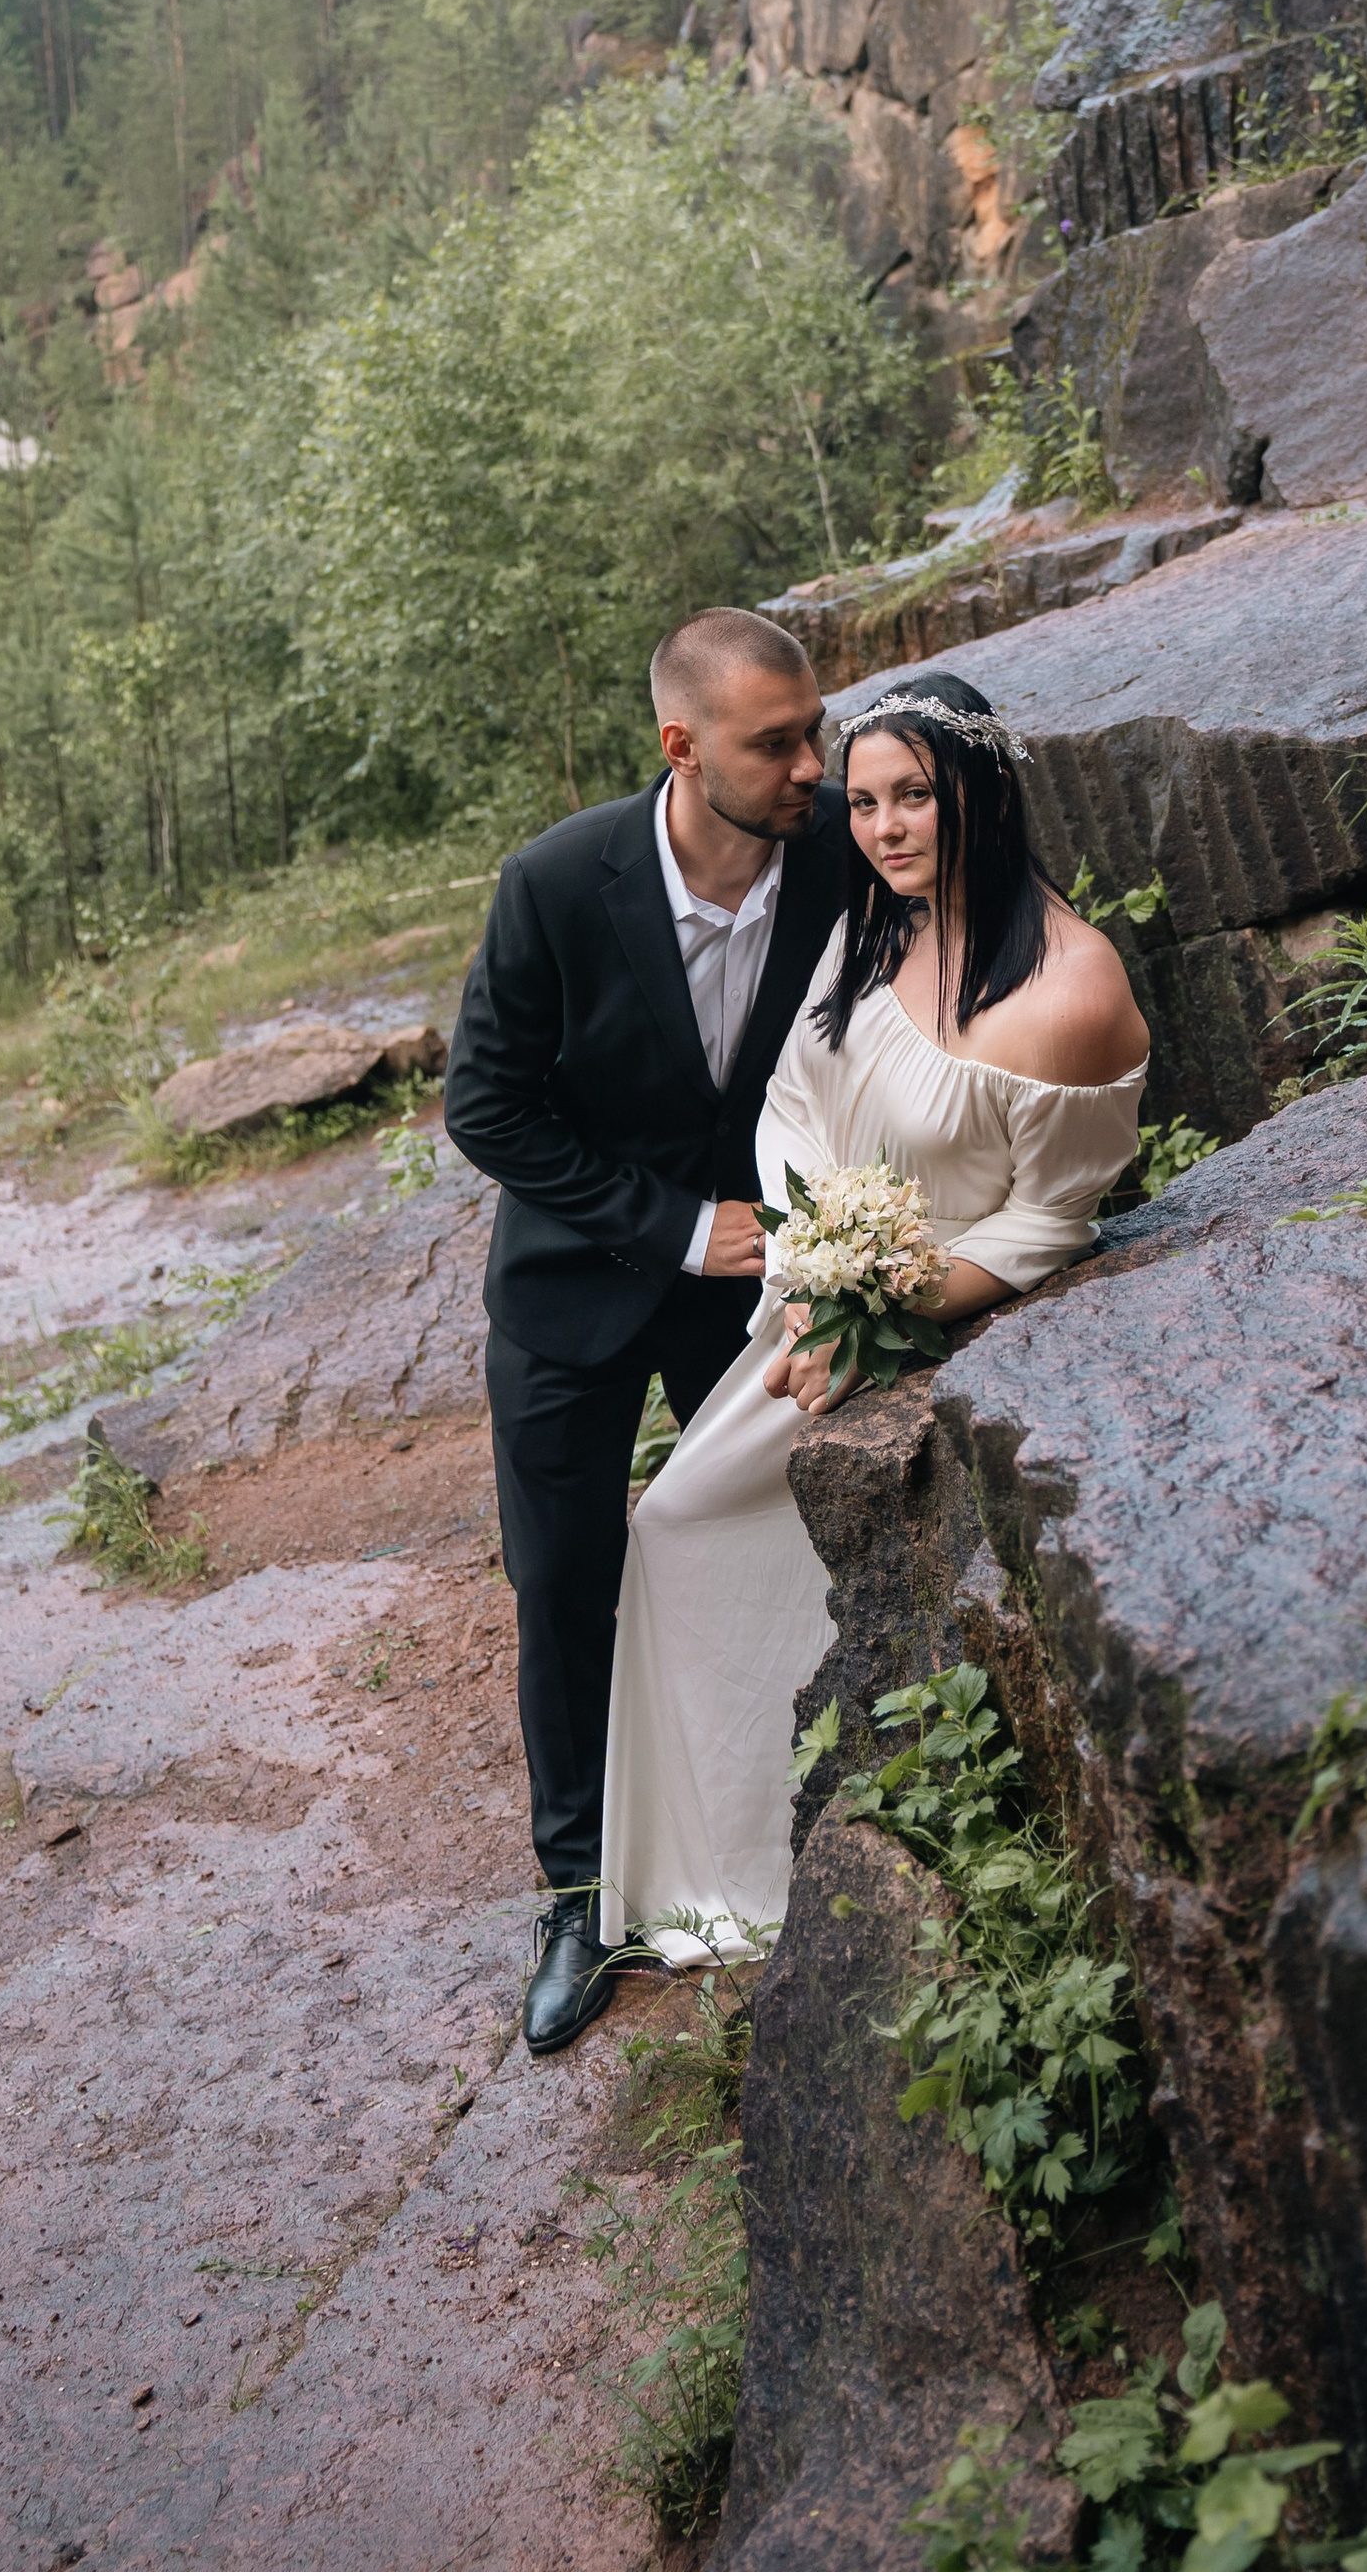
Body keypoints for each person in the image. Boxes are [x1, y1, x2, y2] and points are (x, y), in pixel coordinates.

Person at [597, 666, 1147, 1967]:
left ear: (985, 794)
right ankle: (698, 1875)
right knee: (668, 1526)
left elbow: (1050, 1219)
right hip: (821, 1285)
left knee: (689, 1526)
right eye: (865, 801)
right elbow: (792, 1097)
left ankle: (753, 1884)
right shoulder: (878, 925)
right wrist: (809, 1257)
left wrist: (889, 1306)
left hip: (921, 1304)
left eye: (917, 798)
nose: (887, 827)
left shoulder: (1069, 994)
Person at [441, 607, 854, 2054]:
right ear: (681, 748)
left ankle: (782, 1827)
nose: (816, 763)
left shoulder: (848, 854)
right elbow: (485, 1109)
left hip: (760, 1280)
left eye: (818, 729)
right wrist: (678, 1225)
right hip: (575, 1287)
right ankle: (579, 1893)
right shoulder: (555, 883)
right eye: (778, 742)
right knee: (564, 1582)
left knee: (784, 1528)